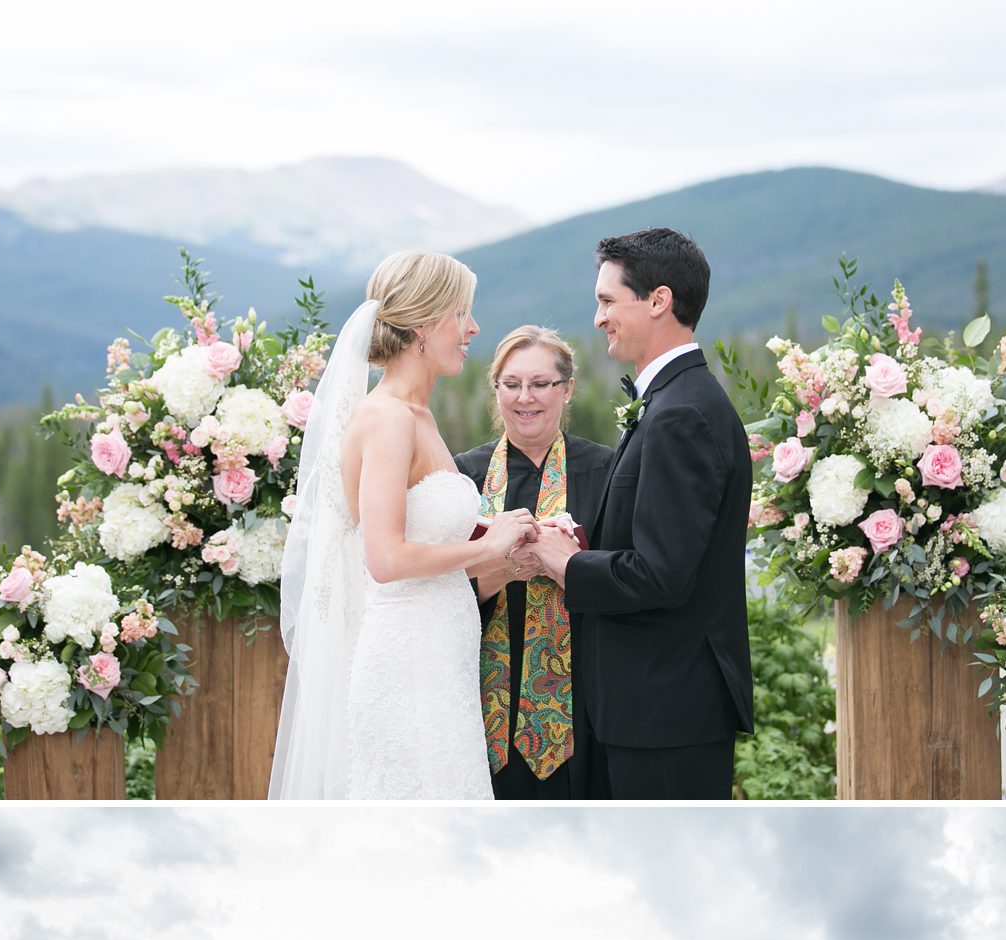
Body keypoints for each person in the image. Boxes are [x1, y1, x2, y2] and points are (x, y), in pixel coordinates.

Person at [270, 250, 536, 800]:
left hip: (443, 656)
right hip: (407, 661)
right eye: (462, 313)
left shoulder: (419, 415)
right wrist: (491, 548)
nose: (473, 328)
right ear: (421, 324)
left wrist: (501, 531)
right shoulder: (387, 417)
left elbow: (423, 527)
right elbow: (386, 559)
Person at [533, 228, 754, 800]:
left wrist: (567, 565)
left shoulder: (682, 415)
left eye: (608, 300)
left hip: (667, 710)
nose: (599, 316)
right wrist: (585, 544)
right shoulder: (673, 402)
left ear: (658, 301)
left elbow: (661, 574)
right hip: (652, 708)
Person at [455, 326, 614, 798]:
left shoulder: (608, 470)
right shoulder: (465, 476)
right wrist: (498, 571)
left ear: (566, 390)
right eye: (511, 384)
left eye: (541, 384)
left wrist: (565, 564)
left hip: (580, 696)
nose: (525, 398)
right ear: (496, 390)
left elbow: (624, 577)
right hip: (482, 690)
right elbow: (437, 586)